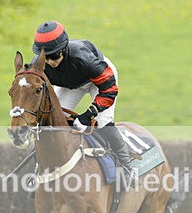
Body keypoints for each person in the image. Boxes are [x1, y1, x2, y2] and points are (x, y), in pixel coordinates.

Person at [31, 20, 138, 183]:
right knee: (50, 122)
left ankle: (128, 168)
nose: (51, 62)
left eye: (55, 56)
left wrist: (88, 115)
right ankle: (41, 169)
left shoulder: (83, 58)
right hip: (71, 84)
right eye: (46, 58)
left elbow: (109, 90)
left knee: (103, 122)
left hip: (99, 80)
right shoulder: (38, 64)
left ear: (64, 49)